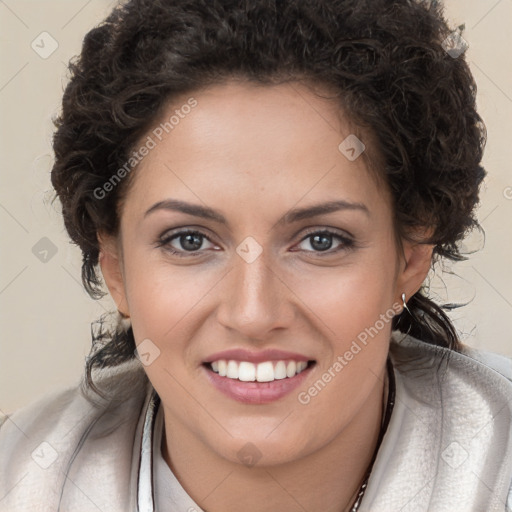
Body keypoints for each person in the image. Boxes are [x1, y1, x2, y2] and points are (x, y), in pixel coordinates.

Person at [1, 0, 512, 510]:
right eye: (189, 240)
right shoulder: (20, 479)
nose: (253, 314)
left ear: (411, 257)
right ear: (115, 268)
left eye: (320, 240)